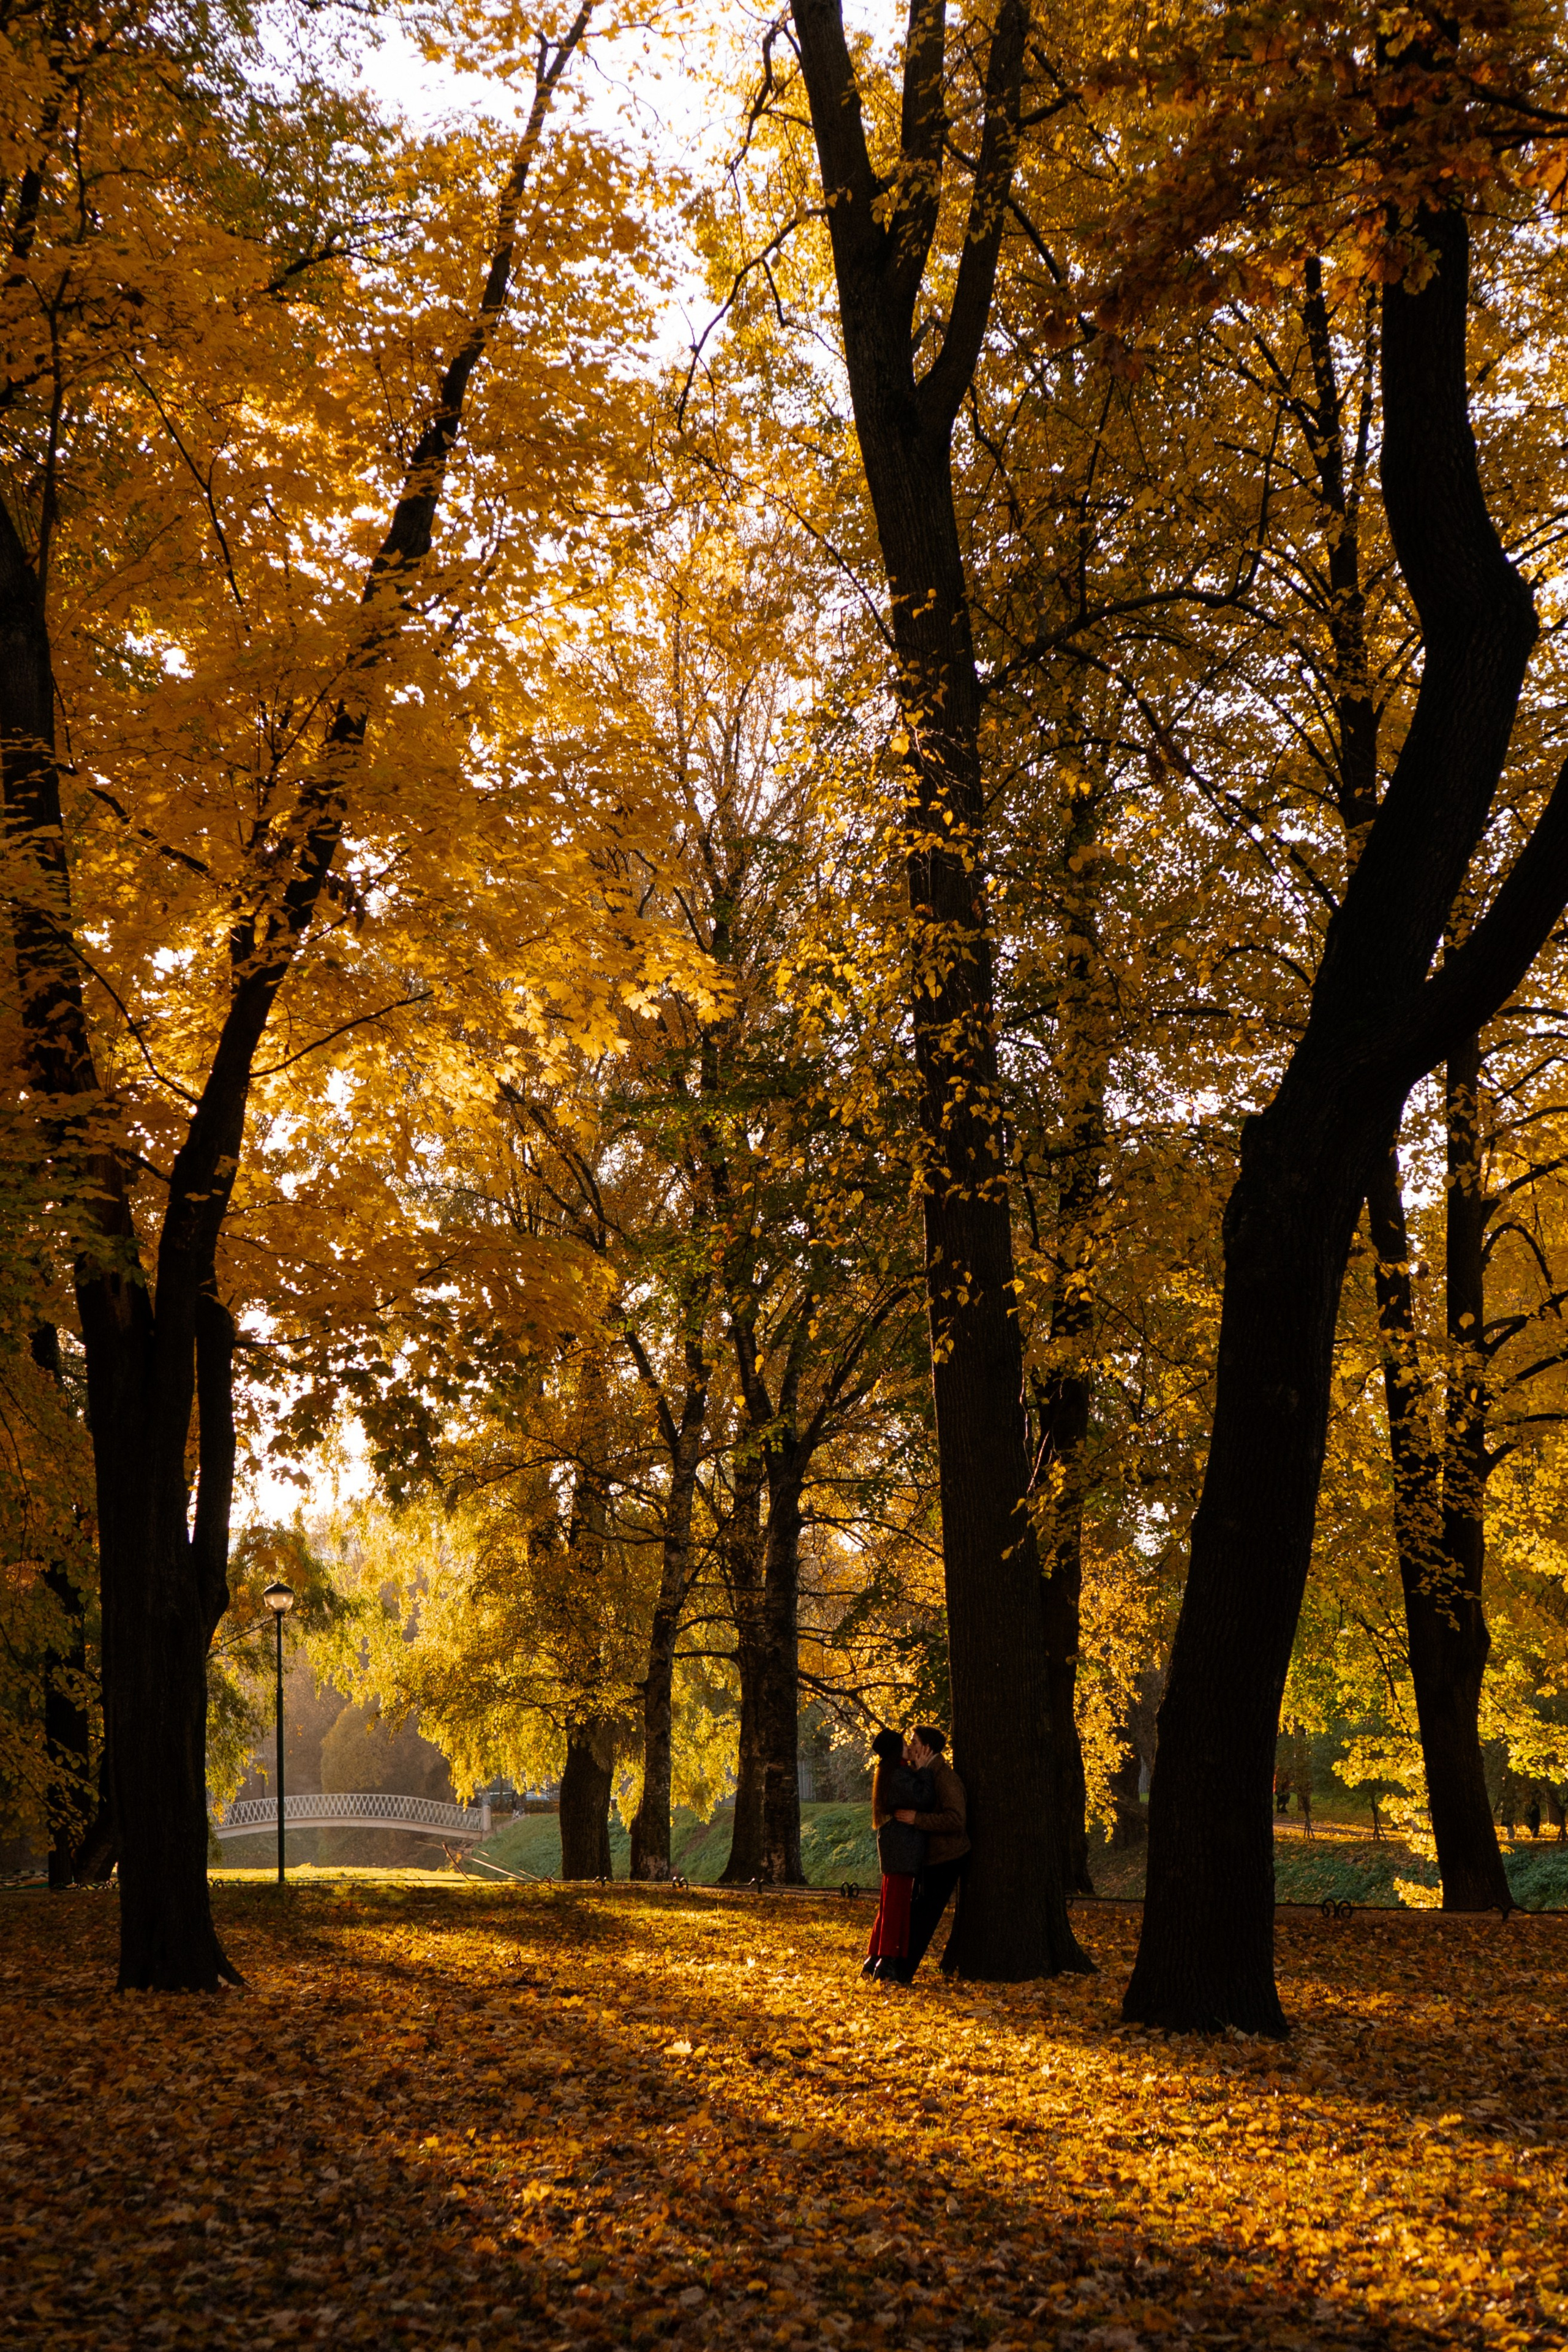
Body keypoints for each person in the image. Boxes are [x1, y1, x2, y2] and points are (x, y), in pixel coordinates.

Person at [881, 1725, 969, 1985]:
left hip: (948, 1857)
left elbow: (956, 1820)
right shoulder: (926, 1774)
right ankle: (899, 1970)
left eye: (915, 1741)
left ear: (927, 1748)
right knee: (916, 1915)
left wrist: (918, 1819)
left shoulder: (945, 1777)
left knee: (923, 1917)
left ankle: (903, 1973)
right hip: (931, 1858)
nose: (911, 1745)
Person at [861, 1730, 933, 1980]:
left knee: (889, 1903)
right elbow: (923, 1799)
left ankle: (876, 1957)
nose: (908, 1746)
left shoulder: (894, 1772)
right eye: (905, 1743)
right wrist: (924, 1770)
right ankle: (888, 1959)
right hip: (902, 1847)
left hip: (896, 1847)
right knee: (896, 1905)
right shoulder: (900, 1774)